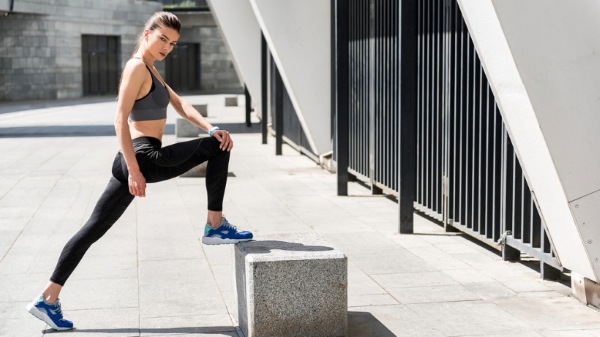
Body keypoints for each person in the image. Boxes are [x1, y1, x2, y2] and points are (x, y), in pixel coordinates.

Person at [26, 11, 253, 330]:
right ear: (146, 34)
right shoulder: (136, 67)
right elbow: (119, 120)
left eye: (173, 43)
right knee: (218, 147)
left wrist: (211, 125)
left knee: (92, 229)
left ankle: (47, 299)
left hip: (138, 158)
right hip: (144, 157)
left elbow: (180, 105)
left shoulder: (152, 70)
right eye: (162, 39)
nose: (167, 47)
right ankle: (214, 226)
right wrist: (134, 171)